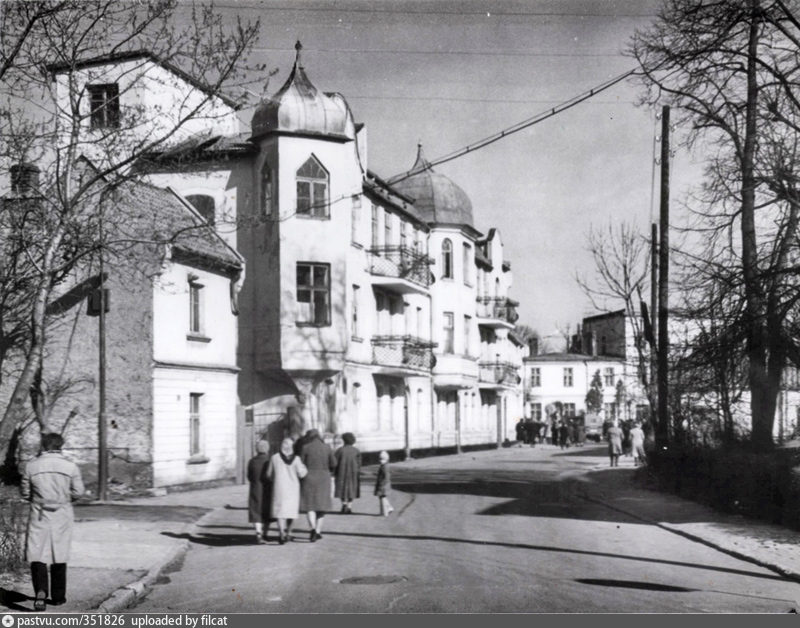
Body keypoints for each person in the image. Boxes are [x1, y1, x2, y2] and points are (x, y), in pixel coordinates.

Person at [20, 432, 85, 611]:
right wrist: (64, 499)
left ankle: (40, 591)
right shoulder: (70, 466)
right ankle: (58, 597)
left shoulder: (31, 466)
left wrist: (37, 499)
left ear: (43, 446)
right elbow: (78, 491)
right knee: (59, 553)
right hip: (62, 512)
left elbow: (25, 492)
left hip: (39, 511)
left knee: (37, 552)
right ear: (60, 446)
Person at [267, 437, 308, 544]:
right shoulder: (297, 459)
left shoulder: (274, 458)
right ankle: (289, 532)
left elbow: (268, 474)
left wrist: (274, 479)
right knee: (292, 512)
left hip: (279, 487)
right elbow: (302, 474)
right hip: (293, 489)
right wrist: (304, 468)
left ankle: (281, 532)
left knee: (280, 512)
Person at [300, 429, 336, 542]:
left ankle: (312, 529)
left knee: (310, 506)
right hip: (324, 478)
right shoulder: (327, 448)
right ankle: (318, 531)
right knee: (321, 507)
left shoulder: (305, 447)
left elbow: (300, 463)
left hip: (309, 478)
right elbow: (334, 463)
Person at [246, 440, 272, 544]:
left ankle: (258, 533)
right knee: (267, 512)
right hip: (268, 489)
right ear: (267, 449)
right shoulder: (270, 460)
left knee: (256, 511)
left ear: (257, 449)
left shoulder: (252, 461)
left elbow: (249, 476)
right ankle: (265, 533)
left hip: (255, 488)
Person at [334, 432, 361, 514]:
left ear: (344, 440)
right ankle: (349, 506)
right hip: (353, 473)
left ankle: (344, 504)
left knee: (341, 489)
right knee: (352, 489)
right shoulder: (356, 451)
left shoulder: (339, 450)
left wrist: (334, 472)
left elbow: (335, 463)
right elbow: (359, 464)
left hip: (341, 473)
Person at [374, 450, 393, 516]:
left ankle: (388, 508)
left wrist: (382, 484)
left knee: (382, 497)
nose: (380, 461)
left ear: (386, 459)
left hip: (383, 484)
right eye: (380, 459)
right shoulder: (383, 466)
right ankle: (385, 510)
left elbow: (386, 476)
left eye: (382, 459)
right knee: (381, 497)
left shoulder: (385, 467)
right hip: (383, 484)